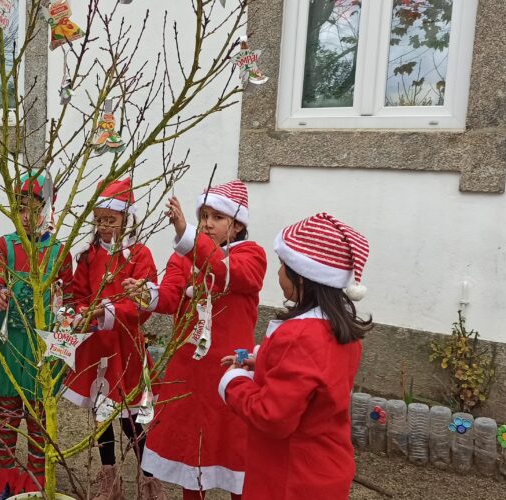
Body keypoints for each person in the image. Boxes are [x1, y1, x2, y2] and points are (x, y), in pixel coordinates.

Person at [126, 181, 267, 500]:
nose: (207, 223)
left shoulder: (251, 256)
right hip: (189, 370)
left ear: (237, 224)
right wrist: (146, 294)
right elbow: (170, 296)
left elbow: (225, 272)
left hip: (230, 372)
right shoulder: (183, 257)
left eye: (217, 217)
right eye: (203, 216)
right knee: (192, 453)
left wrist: (186, 235)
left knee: (236, 454)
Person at [218, 212, 371, 500]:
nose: (278, 273)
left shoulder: (299, 336)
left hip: (289, 476)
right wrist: (263, 363)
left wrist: (234, 381)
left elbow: (272, 417)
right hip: (324, 467)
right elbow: (313, 381)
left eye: (282, 265)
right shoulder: (340, 329)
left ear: (302, 277)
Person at [63, 178, 158, 500]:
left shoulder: (140, 255)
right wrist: (80, 313)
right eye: (99, 220)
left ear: (125, 219)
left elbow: (144, 303)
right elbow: (78, 294)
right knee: (102, 414)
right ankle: (109, 478)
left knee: (133, 419)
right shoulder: (88, 255)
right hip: (98, 346)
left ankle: (148, 478)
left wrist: (109, 311)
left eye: (110, 220)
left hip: (127, 345)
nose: (103, 226)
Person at [0, 173, 74, 500]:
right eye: (21, 209)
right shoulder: (4, 245)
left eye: (35, 210)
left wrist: (64, 338)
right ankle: (3, 474)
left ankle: (35, 478)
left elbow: (69, 299)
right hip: (9, 340)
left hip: (42, 345)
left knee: (38, 414)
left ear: (48, 210)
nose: (26, 217)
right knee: (7, 411)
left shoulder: (60, 252)